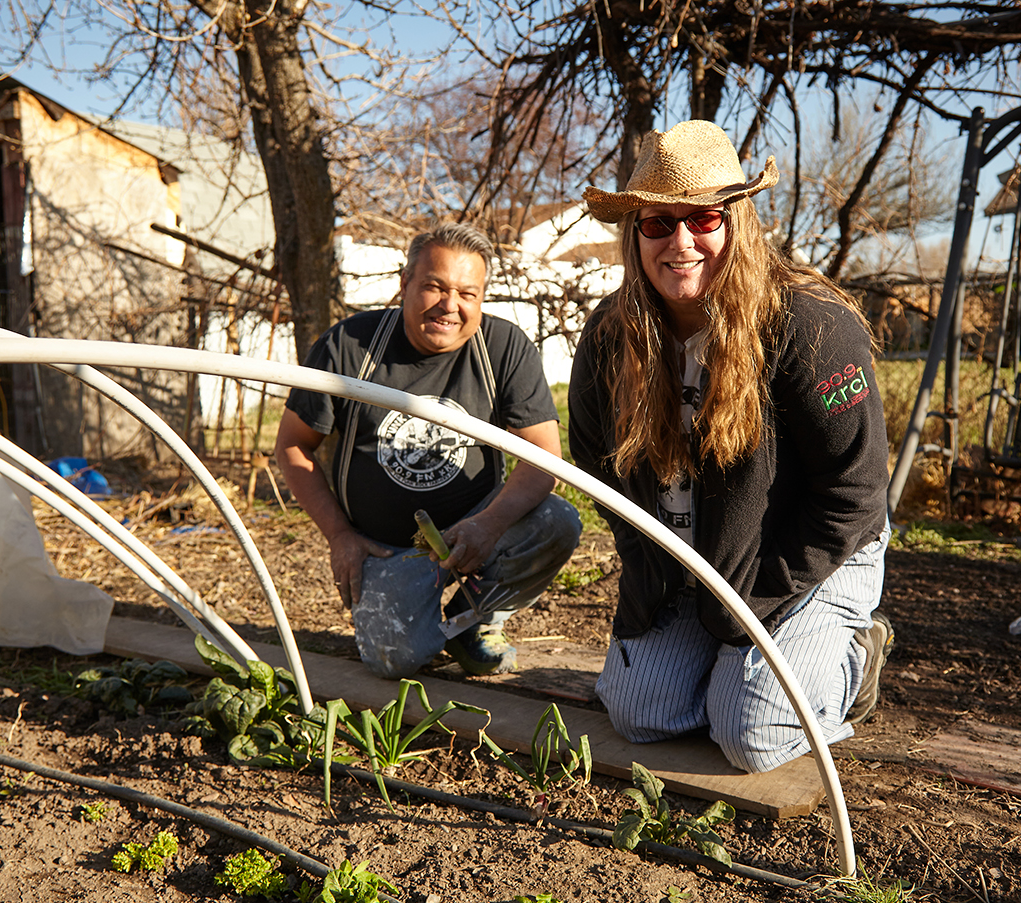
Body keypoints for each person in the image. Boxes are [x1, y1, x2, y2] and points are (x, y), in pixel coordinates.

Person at [568, 121, 893, 773]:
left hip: (809, 555)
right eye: (659, 224)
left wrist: (751, 604)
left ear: (736, 222)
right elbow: (600, 471)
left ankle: (853, 655)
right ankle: (729, 664)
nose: (681, 242)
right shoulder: (610, 336)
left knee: (754, 734)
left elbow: (853, 498)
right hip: (702, 561)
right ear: (635, 235)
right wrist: (653, 576)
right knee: (638, 713)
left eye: (703, 219)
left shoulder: (810, 328)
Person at [276, 223, 582, 678]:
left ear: (481, 299)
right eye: (434, 287)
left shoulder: (503, 347)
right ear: (404, 285)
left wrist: (487, 525)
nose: (450, 306)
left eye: (467, 293)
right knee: (393, 660)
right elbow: (292, 447)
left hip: (476, 528)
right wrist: (340, 535)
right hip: (386, 548)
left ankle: (475, 622)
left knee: (556, 521)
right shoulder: (349, 347)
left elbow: (544, 456)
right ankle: (420, 621)